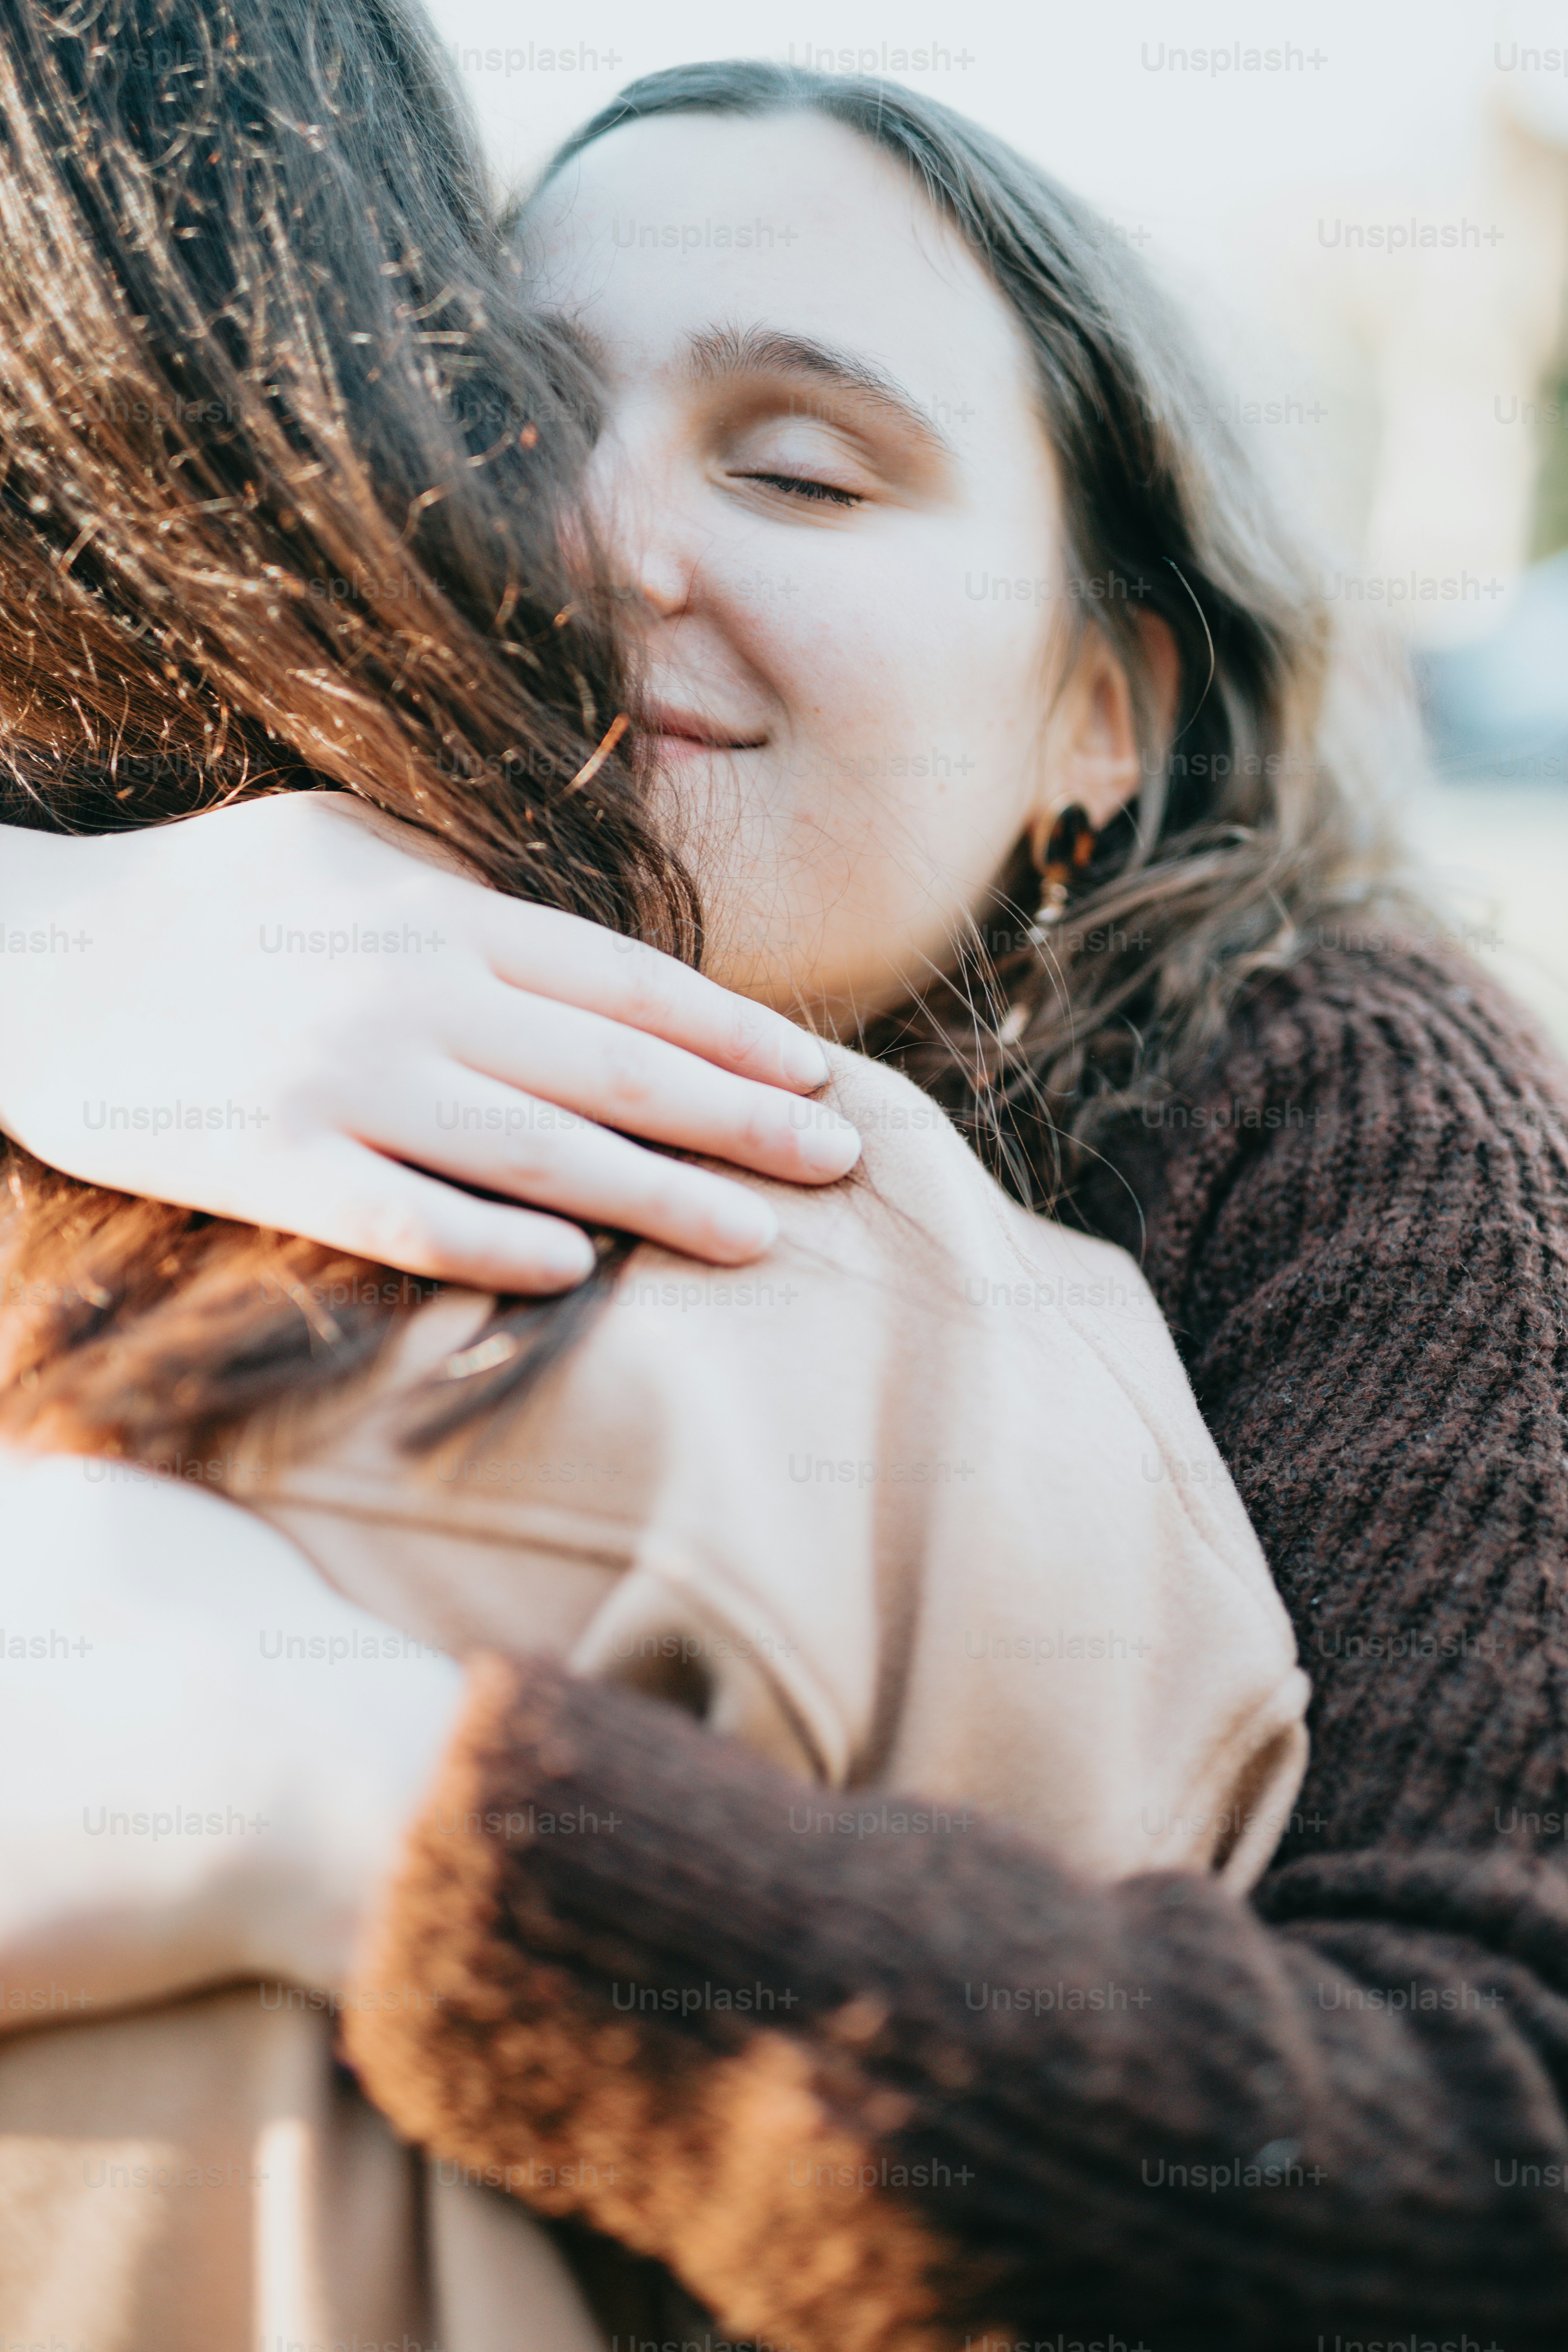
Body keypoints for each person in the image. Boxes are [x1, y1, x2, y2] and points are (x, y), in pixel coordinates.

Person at [4, 30, 1566, 2352]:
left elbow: (1490, 2172)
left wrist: (352, 1799)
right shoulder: (206, 891)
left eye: (808, 473)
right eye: (512, 419)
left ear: (1101, 713)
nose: (602, 537)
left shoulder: (1347, 1117)